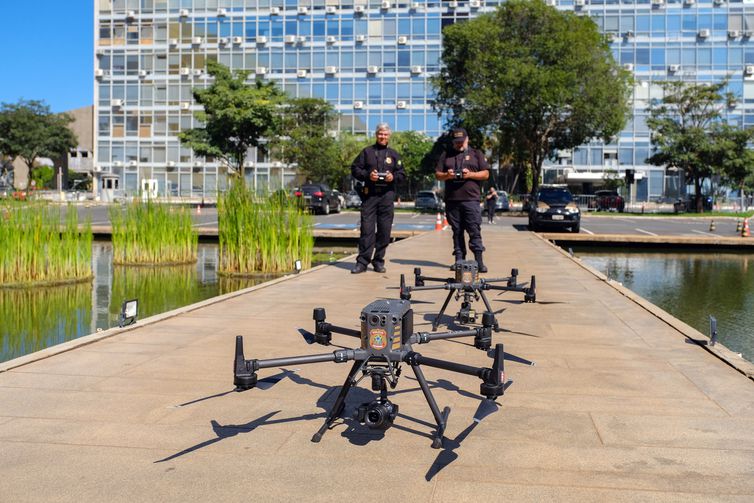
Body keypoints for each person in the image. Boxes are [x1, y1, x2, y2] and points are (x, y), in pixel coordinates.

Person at [350, 123, 405, 274]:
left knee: (384, 231)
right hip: (370, 195)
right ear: (376, 135)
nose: (383, 137)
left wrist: (392, 177)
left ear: (389, 136)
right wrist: (368, 175)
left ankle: (378, 261)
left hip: (387, 196)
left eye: (386, 134)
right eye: (380, 134)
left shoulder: (394, 155)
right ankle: (362, 262)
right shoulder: (367, 152)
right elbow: (355, 169)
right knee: (366, 230)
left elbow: (402, 175)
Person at [435, 128, 490, 272]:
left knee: (474, 230)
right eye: (456, 142)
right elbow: (438, 174)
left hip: (471, 199)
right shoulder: (446, 154)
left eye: (461, 141)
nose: (459, 144)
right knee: (457, 231)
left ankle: (479, 261)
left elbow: (485, 174)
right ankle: (459, 260)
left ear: (467, 139)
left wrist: (470, 174)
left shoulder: (476, 153)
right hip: (452, 200)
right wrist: (447, 175)